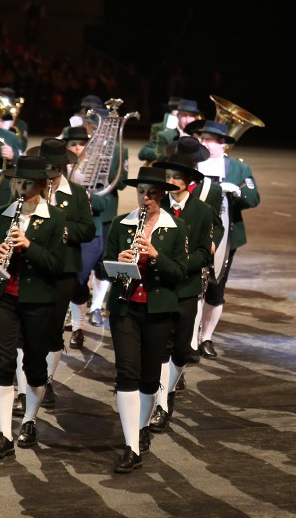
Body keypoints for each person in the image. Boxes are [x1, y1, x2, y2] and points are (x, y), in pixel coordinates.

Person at [103, 166, 188, 473]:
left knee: (150, 378)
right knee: (126, 372)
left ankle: (140, 429)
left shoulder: (175, 228)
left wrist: (155, 256)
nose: (146, 198)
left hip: (157, 310)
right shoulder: (120, 224)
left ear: (162, 195)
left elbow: (179, 273)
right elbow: (104, 269)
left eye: (152, 193)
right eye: (142, 192)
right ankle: (131, 447)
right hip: (125, 308)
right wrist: (118, 262)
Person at [0, 157, 66, 459]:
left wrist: (29, 246)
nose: (21, 187)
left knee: (33, 366)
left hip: (38, 301)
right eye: (18, 182)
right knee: (2, 364)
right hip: (3, 297)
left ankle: (29, 420)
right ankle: (4, 433)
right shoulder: (1, 214)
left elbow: (58, 265)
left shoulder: (55, 219)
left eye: (28, 183)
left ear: (42, 186)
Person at [148, 143, 223, 432]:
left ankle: (169, 389)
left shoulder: (202, 211)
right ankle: (161, 403)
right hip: (161, 286)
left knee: (181, 350)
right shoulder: (157, 205)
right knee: (161, 348)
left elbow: (206, 251)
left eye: (175, 178)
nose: (169, 183)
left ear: (188, 181)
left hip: (187, 286)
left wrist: (183, 263)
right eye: (167, 177)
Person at [32, 138, 95, 405]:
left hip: (64, 271)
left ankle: (46, 381)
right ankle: (30, 380)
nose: (50, 177)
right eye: (45, 170)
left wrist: (62, 226)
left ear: (62, 168)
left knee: (53, 329)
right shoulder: (30, 191)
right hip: (33, 268)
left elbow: (88, 230)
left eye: (54, 170)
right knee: (30, 329)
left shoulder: (77, 194)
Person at [191, 120, 260, 359]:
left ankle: (206, 337)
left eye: (210, 139)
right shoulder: (192, 163)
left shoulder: (239, 169)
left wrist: (238, 193)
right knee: (191, 287)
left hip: (226, 237)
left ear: (222, 144)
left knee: (216, 288)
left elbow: (253, 198)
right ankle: (190, 336)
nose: (205, 143)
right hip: (194, 232)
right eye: (203, 138)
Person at [63, 123, 129, 348]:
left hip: (90, 233)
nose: (78, 148)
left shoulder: (93, 172)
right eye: (73, 144)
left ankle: (78, 328)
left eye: (83, 144)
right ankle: (67, 318)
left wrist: (87, 196)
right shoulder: (59, 172)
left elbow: (104, 201)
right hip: (61, 233)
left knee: (78, 279)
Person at [137, 98, 202, 164]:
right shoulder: (165, 135)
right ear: (178, 115)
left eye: (191, 116)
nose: (188, 120)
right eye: (184, 115)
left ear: (195, 118)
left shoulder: (200, 136)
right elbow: (144, 153)